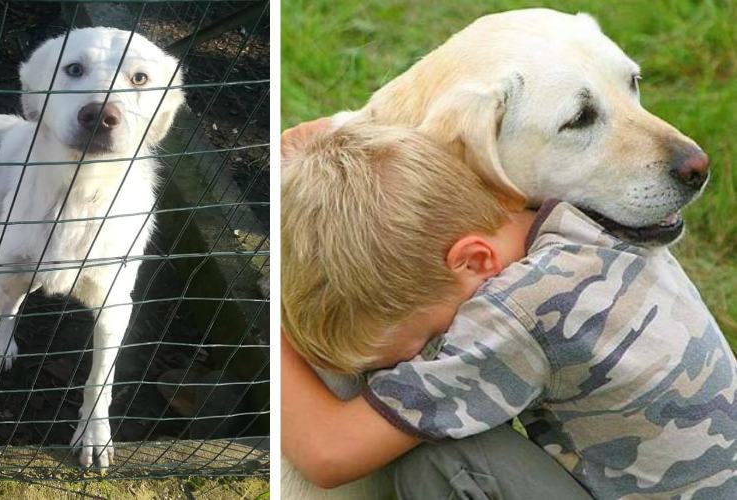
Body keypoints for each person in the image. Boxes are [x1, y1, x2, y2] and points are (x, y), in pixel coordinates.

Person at [281, 120, 737, 499]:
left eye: (424, 342)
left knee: (443, 462)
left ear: (475, 261)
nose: (416, 361)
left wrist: (268, 331)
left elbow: (329, 454)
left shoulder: (518, 314)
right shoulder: (580, 216)